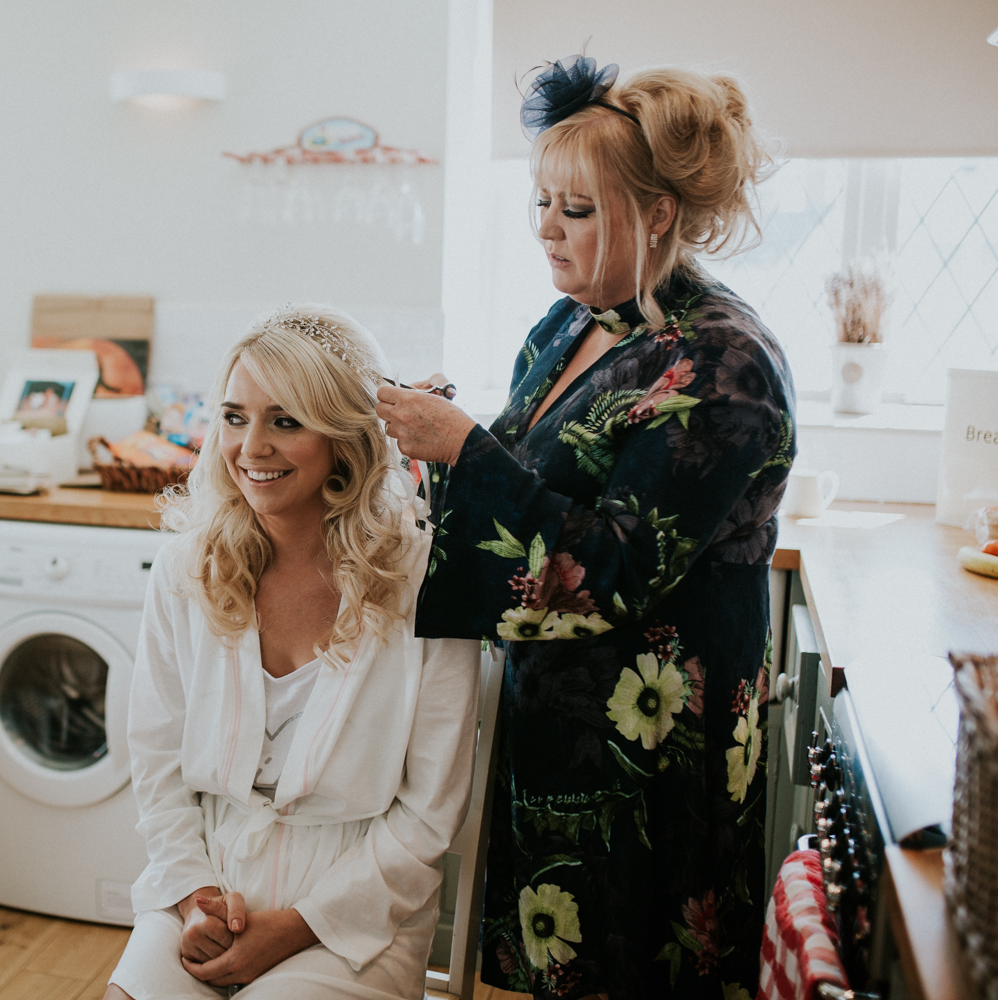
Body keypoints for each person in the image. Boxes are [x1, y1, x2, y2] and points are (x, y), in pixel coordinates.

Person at [376, 56, 795, 999]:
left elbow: (614, 566)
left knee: (632, 968)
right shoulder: (570, 325)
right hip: (555, 721)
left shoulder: (724, 362)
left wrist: (466, 449)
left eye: (575, 210)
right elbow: (534, 480)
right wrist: (441, 443)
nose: (546, 233)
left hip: (651, 743)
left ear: (655, 216)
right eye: (539, 203)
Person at [106, 306, 481, 1000]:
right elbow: (155, 763)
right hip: (210, 877)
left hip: (359, 907)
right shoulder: (186, 570)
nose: (251, 447)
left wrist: (298, 925)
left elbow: (432, 812)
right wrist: (194, 899)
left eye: (285, 420)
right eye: (234, 416)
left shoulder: (426, 582)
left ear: (344, 436)